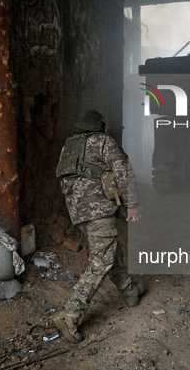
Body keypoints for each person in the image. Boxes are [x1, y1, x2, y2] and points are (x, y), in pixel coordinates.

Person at [53, 110, 143, 343]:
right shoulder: (102, 141)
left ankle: (131, 292)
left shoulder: (69, 147)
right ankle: (70, 314)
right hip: (98, 211)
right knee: (102, 259)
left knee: (110, 251)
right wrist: (132, 204)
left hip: (78, 213)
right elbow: (123, 169)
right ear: (99, 126)